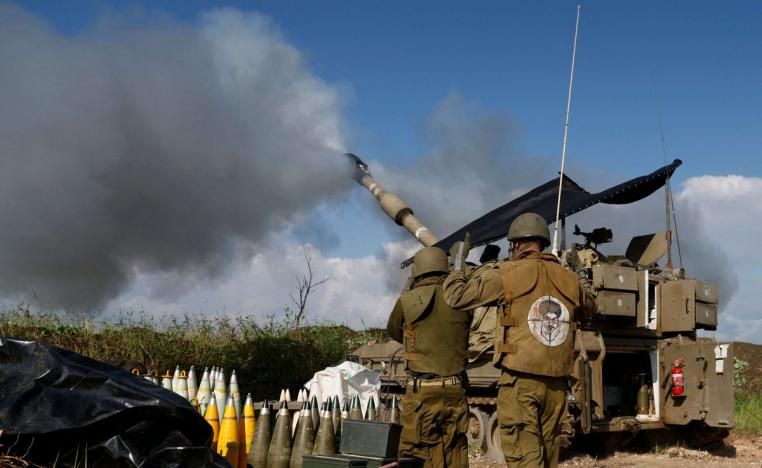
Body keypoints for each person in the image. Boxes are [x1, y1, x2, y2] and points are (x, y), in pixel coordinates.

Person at [442, 213, 594, 468]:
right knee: (548, 458)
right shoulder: (569, 279)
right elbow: (590, 306)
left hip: (520, 381)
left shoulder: (507, 273)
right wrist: (578, 270)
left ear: (516, 244)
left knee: (524, 458)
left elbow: (455, 296)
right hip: (557, 385)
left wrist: (458, 263)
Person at [387, 246, 471, 468]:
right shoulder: (460, 298)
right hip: (455, 388)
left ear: (417, 271)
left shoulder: (406, 300)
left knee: (419, 452)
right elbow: (468, 331)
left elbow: (393, 330)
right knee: (456, 450)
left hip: (421, 391)